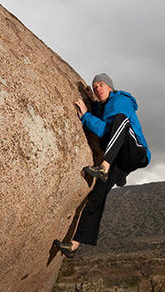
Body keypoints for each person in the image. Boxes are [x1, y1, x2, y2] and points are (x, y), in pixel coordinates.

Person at [53, 73, 151, 258]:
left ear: (110, 87)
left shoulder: (122, 100)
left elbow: (105, 130)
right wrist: (92, 104)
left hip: (137, 152)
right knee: (97, 194)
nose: (98, 89)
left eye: (101, 85)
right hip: (120, 159)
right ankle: (74, 244)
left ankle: (105, 167)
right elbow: (103, 124)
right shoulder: (103, 107)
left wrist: (85, 116)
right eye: (95, 86)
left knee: (120, 120)